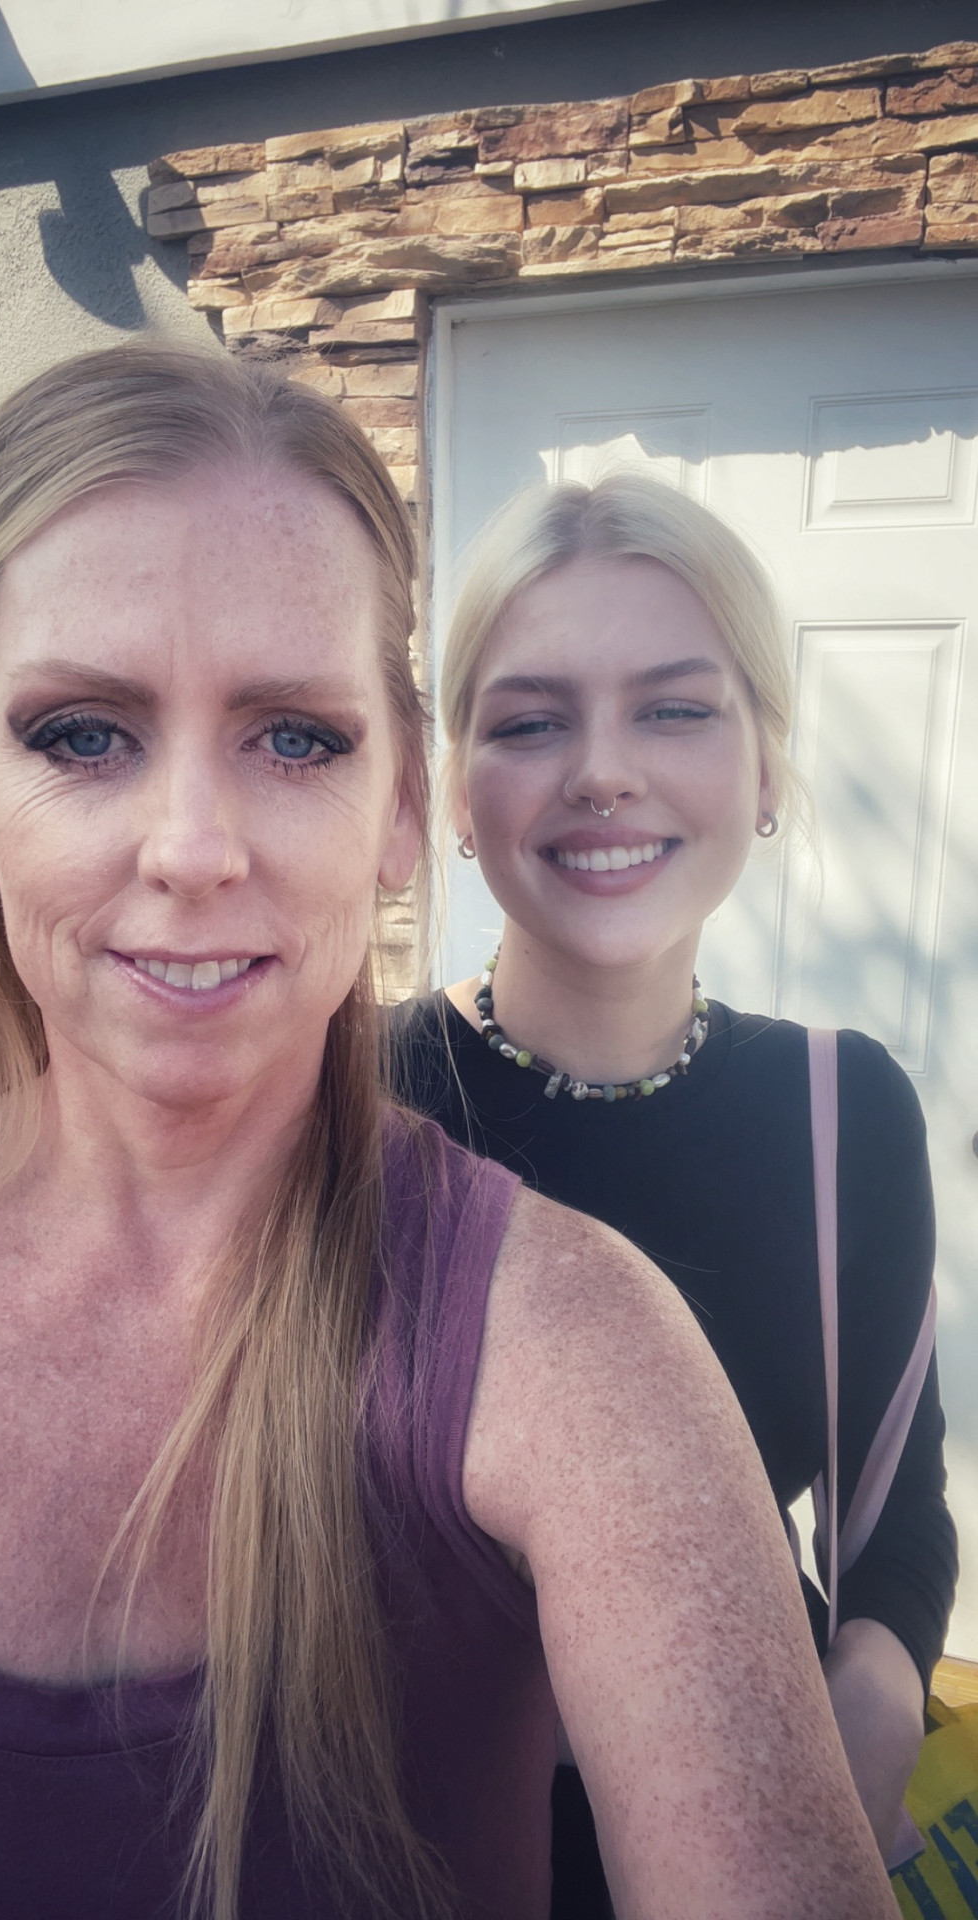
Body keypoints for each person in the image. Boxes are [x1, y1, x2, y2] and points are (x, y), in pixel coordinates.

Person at [0, 348, 900, 1920]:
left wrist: (876, 1661)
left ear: (400, 805)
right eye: (81, 733)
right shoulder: (427, 1079)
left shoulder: (579, 1335)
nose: (192, 849)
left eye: (295, 738)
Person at [393, 472, 957, 1915]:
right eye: (530, 722)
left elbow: (893, 1530)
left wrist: (867, 1716)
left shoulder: (843, 1108)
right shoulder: (350, 1106)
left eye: (676, 709)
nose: (602, 771)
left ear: (766, 768)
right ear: (456, 792)